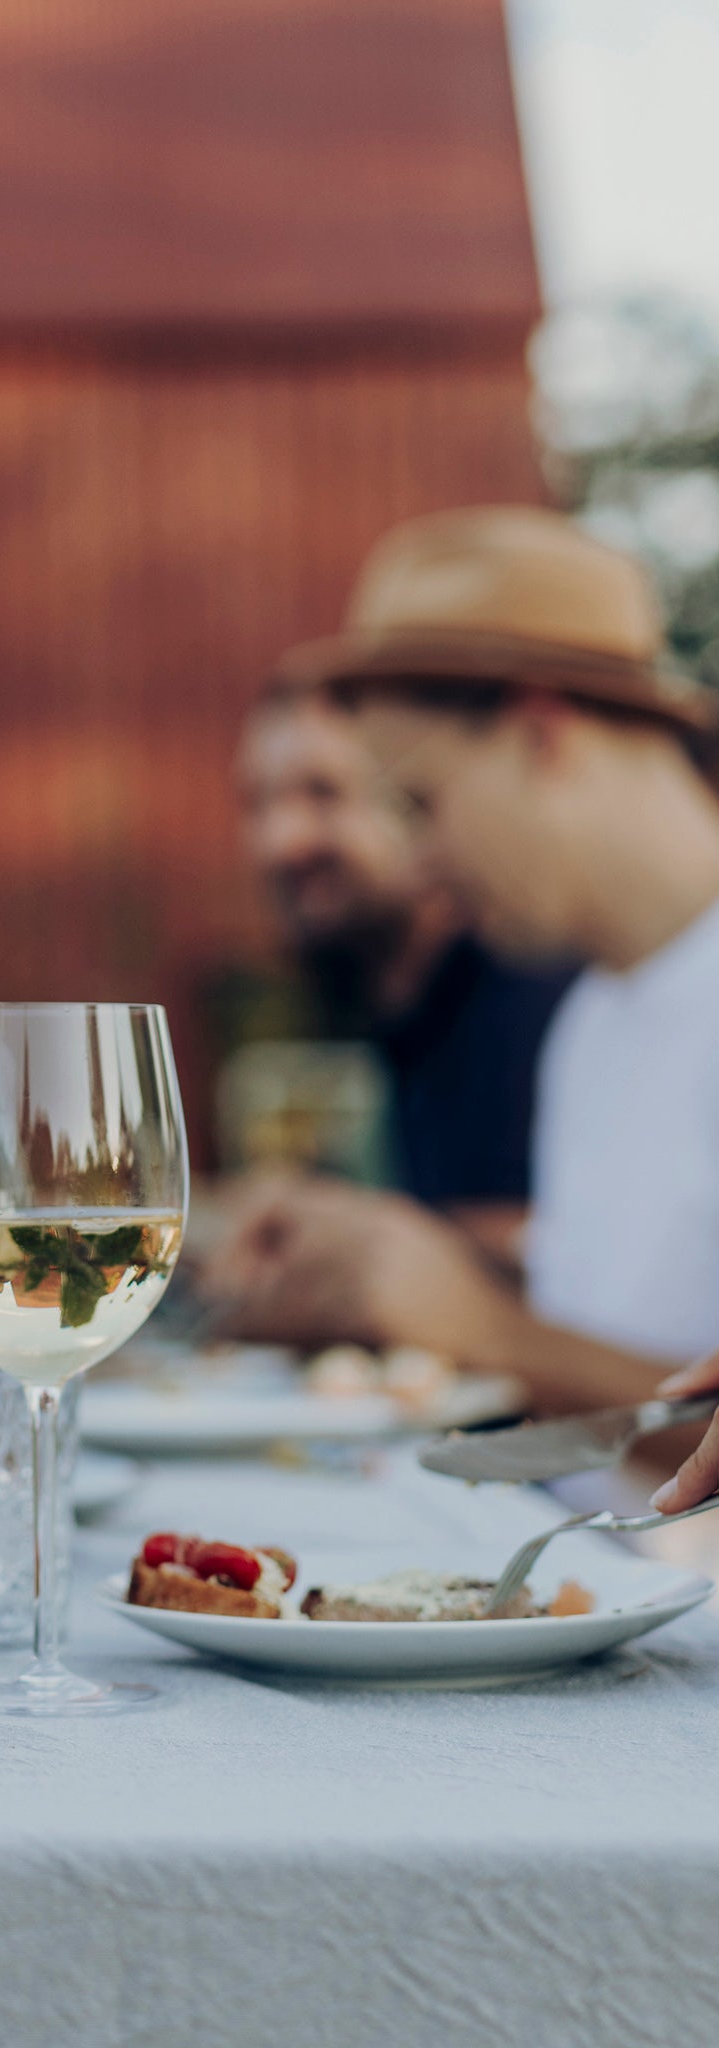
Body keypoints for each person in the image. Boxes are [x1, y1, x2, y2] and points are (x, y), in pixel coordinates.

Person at [207, 505, 719, 1415]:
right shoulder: (598, 1013)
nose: (421, 860)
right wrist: (386, 1254)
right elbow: (632, 1324)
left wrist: (484, 1329)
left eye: (420, 801)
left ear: (540, 732)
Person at [236, 684, 573, 1247]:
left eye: (324, 793)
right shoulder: (381, 995)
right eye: (256, 802)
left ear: (421, 805)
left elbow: (554, 1261)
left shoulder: (533, 988)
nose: (279, 841)